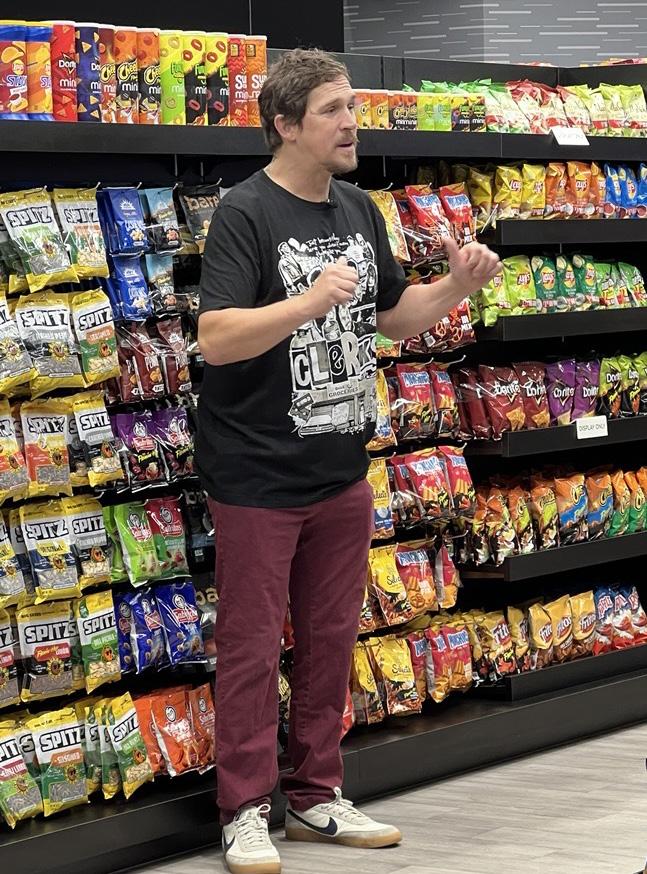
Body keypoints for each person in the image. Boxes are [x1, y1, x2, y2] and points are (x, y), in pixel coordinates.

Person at [197, 48, 501, 874]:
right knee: (252, 649)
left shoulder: (360, 208)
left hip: (341, 469)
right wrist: (304, 303)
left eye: (352, 108)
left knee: (332, 639)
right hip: (256, 475)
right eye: (332, 110)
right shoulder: (244, 213)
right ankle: (243, 811)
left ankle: (315, 797)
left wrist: (457, 285)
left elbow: (393, 318)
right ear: (285, 124)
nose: (351, 123)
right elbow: (215, 338)